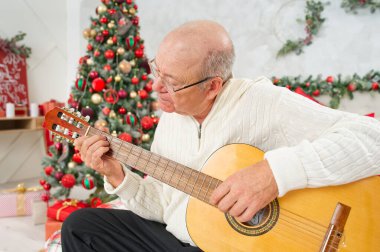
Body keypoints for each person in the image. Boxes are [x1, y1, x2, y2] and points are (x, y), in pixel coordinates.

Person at [62, 20, 380, 251]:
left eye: (171, 82)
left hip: (240, 247)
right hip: (187, 239)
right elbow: (163, 207)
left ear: (213, 86)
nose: (155, 87)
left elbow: (372, 138)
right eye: (156, 70)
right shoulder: (172, 119)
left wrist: (273, 174)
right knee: (81, 228)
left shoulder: (265, 103)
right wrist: (118, 175)